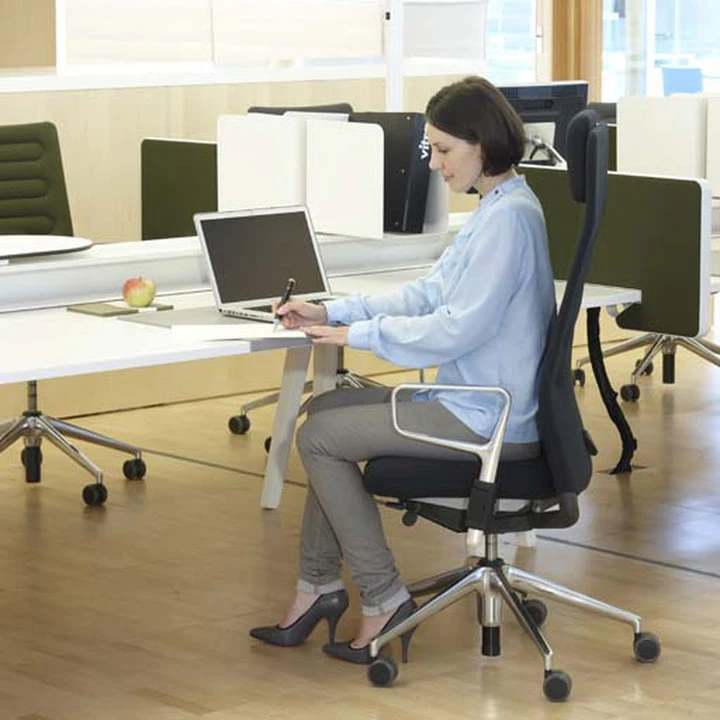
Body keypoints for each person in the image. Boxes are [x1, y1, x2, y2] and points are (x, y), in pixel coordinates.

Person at [249, 76, 556, 664]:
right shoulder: (497, 209)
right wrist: (333, 311)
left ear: (481, 143)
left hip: (485, 416)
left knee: (318, 438)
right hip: (473, 401)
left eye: (443, 150)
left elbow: (456, 328)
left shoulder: (510, 221)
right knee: (325, 409)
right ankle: (317, 587)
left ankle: (384, 598)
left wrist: (358, 336)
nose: (434, 164)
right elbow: (430, 293)